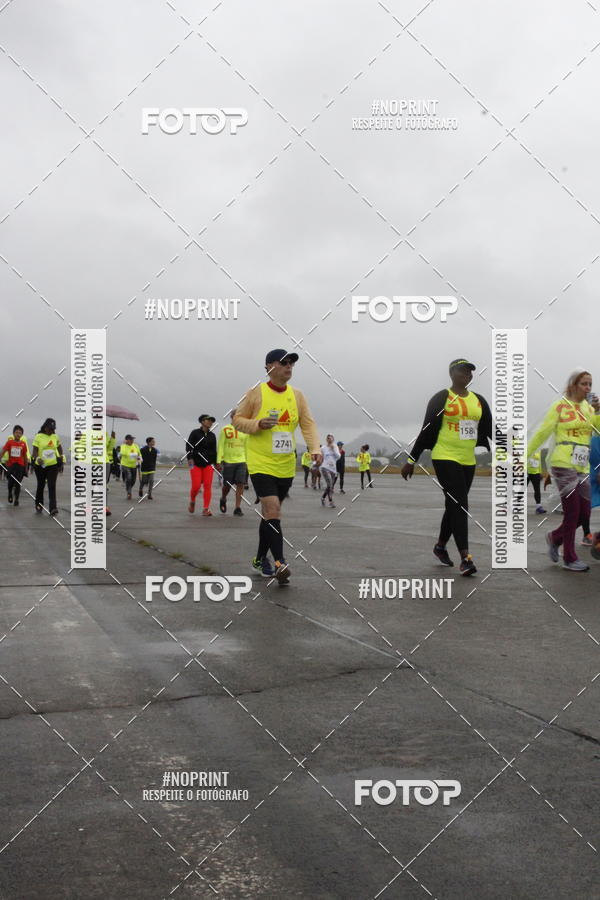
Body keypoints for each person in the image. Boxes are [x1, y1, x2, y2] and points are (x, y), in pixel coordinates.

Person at [234, 349, 321, 582]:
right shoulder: (255, 393)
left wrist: (315, 449)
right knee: (273, 510)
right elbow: (238, 420)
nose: (289, 366)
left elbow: (308, 424)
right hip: (260, 461)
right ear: (268, 367)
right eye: (283, 362)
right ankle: (281, 563)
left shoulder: (298, 395)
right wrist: (258, 424)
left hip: (285, 464)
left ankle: (260, 558)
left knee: (270, 516)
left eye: (292, 362)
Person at [401, 358, 492, 576]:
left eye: (470, 372)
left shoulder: (478, 400)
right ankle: (466, 558)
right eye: (462, 371)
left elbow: (490, 429)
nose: (467, 375)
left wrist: (514, 450)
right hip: (444, 456)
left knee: (454, 505)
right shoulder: (442, 398)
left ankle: (440, 546)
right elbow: (426, 431)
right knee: (460, 504)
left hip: (468, 460)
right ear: (452, 374)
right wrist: (411, 460)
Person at [528, 369, 600, 571]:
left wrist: (599, 412)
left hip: (582, 464)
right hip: (562, 462)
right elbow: (542, 432)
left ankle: (555, 537)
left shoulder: (588, 408)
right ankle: (569, 557)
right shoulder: (560, 406)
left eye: (590, 384)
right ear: (573, 385)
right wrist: (522, 455)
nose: (587, 388)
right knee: (572, 511)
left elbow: (598, 430)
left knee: (584, 512)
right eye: (584, 384)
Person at [217, 411, 248, 516]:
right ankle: (223, 498)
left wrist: (249, 460)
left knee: (240, 483)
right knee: (227, 485)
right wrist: (218, 461)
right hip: (228, 461)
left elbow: (247, 446)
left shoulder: (245, 430)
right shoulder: (225, 429)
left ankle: (237, 507)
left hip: (242, 461)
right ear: (231, 417)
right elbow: (221, 445)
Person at [186, 414, 217, 516]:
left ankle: (206, 509)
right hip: (195, 463)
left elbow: (214, 451)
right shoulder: (195, 433)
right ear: (202, 422)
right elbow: (189, 447)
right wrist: (190, 459)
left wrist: (216, 463)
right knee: (196, 486)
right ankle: (192, 501)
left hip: (208, 464)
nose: (210, 422)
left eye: (211, 421)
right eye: (208, 420)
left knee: (207, 485)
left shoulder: (212, 436)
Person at [31, 418, 64, 514]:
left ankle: (53, 508)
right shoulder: (38, 436)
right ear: (45, 428)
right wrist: (37, 458)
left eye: (53, 429)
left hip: (53, 466)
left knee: (52, 486)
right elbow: (35, 450)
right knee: (41, 485)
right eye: (50, 429)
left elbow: (59, 447)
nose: (52, 431)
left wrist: (61, 456)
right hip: (41, 466)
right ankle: (39, 504)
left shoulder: (55, 437)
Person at [2, 425, 29, 506]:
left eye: (20, 433)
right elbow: (3, 451)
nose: (18, 434)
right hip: (11, 465)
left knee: (18, 483)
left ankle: (16, 499)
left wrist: (26, 468)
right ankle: (10, 493)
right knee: (10, 482)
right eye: (16, 432)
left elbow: (25, 457)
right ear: (13, 433)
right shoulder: (9, 443)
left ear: (22, 435)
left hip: (20, 466)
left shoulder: (23, 444)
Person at [119, 434, 141, 500]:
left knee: (133, 480)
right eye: (130, 439)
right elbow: (123, 453)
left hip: (134, 465)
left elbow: (139, 454)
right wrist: (133, 454)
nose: (132, 440)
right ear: (126, 440)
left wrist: (139, 460)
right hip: (125, 465)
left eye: (133, 439)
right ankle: (129, 492)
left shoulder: (136, 446)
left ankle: (128, 488)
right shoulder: (123, 446)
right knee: (129, 477)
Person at [320, 434, 340, 508]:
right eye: (328, 438)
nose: (329, 439)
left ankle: (323, 498)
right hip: (325, 467)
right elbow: (320, 457)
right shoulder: (323, 448)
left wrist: (333, 449)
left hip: (333, 469)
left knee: (329, 485)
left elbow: (338, 456)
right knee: (330, 484)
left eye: (331, 438)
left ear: (333, 439)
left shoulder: (335, 447)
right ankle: (331, 501)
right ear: (326, 439)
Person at [526, 450, 546, 515]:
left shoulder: (538, 450)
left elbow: (540, 462)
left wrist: (540, 472)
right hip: (526, 473)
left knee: (537, 490)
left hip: (536, 473)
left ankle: (538, 507)